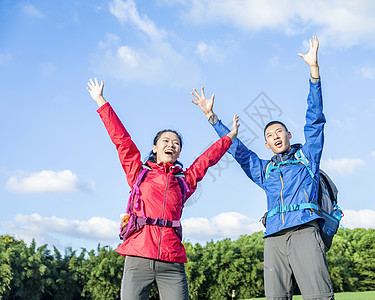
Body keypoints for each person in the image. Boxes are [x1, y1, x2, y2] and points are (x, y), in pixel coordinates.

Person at [191, 36, 334, 300]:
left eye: (280, 131)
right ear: (267, 144)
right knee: (275, 298)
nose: (276, 136)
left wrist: (314, 73)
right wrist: (212, 118)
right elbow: (239, 152)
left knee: (318, 296)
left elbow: (315, 121)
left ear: (289, 135)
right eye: (270, 135)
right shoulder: (265, 170)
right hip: (273, 239)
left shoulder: (307, 157)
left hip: (304, 230)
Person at [86, 78, 239, 300]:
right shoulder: (139, 173)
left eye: (176, 143)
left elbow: (206, 160)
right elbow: (122, 141)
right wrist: (101, 101)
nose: (171, 145)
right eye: (165, 141)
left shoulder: (185, 180)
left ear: (179, 152)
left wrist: (229, 137)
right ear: (155, 148)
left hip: (172, 259)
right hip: (138, 255)